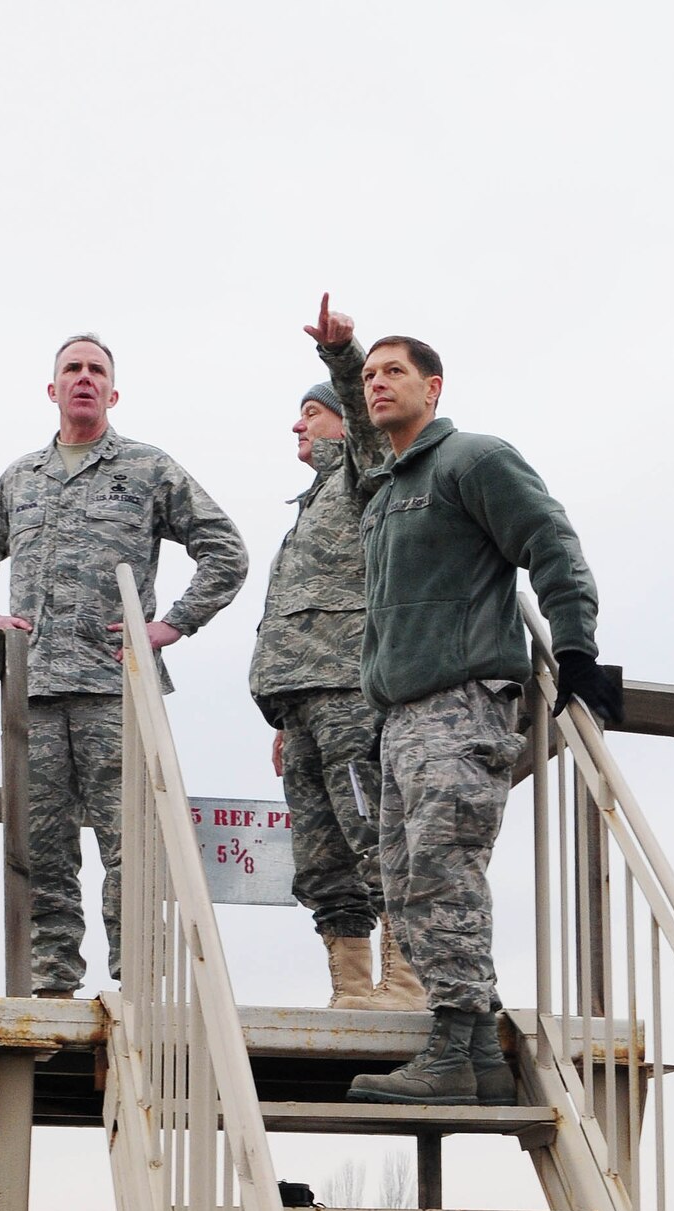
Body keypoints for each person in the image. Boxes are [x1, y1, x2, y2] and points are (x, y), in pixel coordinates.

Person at [347, 335, 623, 1106]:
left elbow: (550, 540)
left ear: (433, 387)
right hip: (400, 715)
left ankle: (456, 1045)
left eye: (393, 371)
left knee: (443, 871)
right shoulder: (383, 489)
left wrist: (575, 650)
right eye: (368, 376)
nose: (377, 385)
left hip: (461, 701)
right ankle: (472, 1057)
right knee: (403, 886)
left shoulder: (472, 459)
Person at [0, 334, 249, 998]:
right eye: (72, 370)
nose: (84, 379)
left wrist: (172, 623)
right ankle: (53, 981)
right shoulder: (21, 479)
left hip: (117, 688)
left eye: (97, 371)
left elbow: (225, 548)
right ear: (52, 390)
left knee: (131, 842)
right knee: (43, 848)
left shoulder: (146, 469)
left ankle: (139, 981)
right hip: (35, 695)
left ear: (113, 393)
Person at [249, 296, 425, 1010]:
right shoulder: (313, 501)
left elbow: (366, 424)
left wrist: (342, 358)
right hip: (300, 704)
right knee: (322, 856)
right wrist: (283, 719)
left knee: (372, 833)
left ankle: (407, 982)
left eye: (311, 412)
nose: (298, 423)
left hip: (349, 692)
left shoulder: (362, 473)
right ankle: (353, 989)